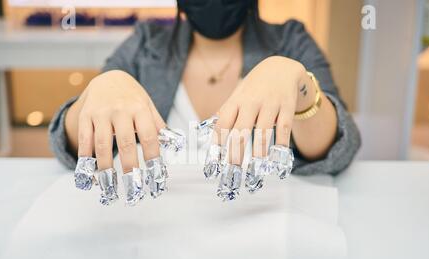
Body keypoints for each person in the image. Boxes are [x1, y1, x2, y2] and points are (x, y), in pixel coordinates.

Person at [49, 0, 361, 201]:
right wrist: (99, 91)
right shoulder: (146, 43)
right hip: (151, 235)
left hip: (263, 235)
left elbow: (338, 152)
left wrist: (299, 85)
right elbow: (71, 150)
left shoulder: (290, 40)